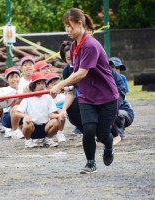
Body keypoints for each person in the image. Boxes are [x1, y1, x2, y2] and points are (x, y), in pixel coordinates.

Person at [51, 8, 119, 174]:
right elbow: (76, 72)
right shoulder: (74, 46)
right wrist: (66, 86)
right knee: (88, 129)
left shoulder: (90, 45)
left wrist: (59, 85)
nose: (67, 29)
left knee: (103, 134)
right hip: (88, 97)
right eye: (65, 26)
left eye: (70, 25)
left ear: (79, 24)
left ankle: (109, 147)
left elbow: (82, 73)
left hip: (107, 96)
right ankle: (90, 163)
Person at [16, 72, 60, 148]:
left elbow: (50, 114)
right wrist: (25, 116)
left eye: (43, 83)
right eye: (39, 83)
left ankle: (47, 139)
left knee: (56, 122)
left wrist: (60, 115)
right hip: (32, 128)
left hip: (45, 127)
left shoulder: (48, 97)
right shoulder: (28, 98)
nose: (42, 85)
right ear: (32, 85)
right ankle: (28, 140)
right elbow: (17, 113)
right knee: (27, 124)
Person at [60, 40, 82, 135]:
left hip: (98, 97)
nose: (73, 61)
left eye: (75, 57)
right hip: (83, 97)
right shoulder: (66, 71)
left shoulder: (86, 65)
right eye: (69, 58)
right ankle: (84, 130)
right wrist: (64, 109)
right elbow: (71, 92)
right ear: (65, 59)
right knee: (71, 107)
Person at [2, 67, 24, 139]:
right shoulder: (5, 91)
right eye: (11, 77)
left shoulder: (23, 88)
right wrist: (23, 96)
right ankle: (15, 130)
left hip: (22, 115)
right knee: (16, 107)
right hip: (9, 116)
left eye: (16, 77)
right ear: (7, 80)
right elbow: (12, 104)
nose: (14, 79)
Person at [45, 73, 67, 142]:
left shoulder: (62, 97)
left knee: (62, 114)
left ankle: (60, 132)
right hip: (45, 118)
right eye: (53, 84)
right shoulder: (44, 96)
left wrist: (59, 111)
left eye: (57, 84)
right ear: (47, 86)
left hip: (55, 116)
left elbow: (61, 110)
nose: (56, 87)